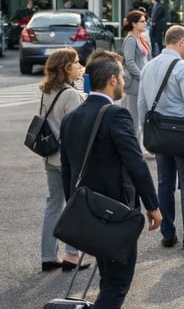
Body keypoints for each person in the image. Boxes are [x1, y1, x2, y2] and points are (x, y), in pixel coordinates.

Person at [60, 50, 162, 308]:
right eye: (122, 77)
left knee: (108, 277)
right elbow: (136, 163)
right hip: (116, 213)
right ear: (112, 79)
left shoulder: (71, 118)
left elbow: (67, 170)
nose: (124, 81)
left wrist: (74, 208)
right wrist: (152, 205)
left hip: (87, 212)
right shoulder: (116, 114)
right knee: (117, 283)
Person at [137, 25, 184, 249]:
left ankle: (168, 233)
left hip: (159, 133)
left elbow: (142, 105)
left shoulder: (148, 67)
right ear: (180, 41)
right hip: (182, 132)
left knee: (165, 183)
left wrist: (147, 135)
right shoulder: (183, 67)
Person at [38, 48, 88, 273]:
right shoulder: (70, 94)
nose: (80, 66)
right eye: (76, 63)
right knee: (74, 206)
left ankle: (48, 256)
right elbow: (79, 127)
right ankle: (72, 255)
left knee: (53, 204)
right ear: (66, 68)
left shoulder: (47, 90)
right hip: (68, 159)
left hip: (50, 155)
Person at [121, 10, 152, 132]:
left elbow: (147, 59)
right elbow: (130, 62)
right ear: (134, 24)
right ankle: (134, 143)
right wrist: (142, 76)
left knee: (142, 116)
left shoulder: (141, 38)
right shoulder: (131, 40)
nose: (145, 23)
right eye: (142, 21)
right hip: (134, 83)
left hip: (142, 81)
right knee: (134, 118)